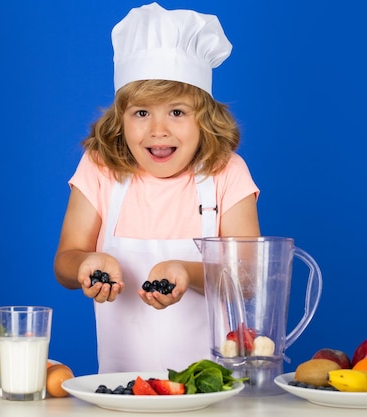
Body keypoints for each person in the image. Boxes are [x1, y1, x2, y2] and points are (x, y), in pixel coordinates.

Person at [54, 2, 260, 373]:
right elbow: (65, 260)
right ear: (121, 118)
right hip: (121, 388)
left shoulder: (227, 172)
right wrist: (87, 262)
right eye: (142, 112)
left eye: (177, 112)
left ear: (205, 119)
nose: (158, 130)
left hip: (213, 390)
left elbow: (246, 279)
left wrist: (188, 271)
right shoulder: (100, 168)